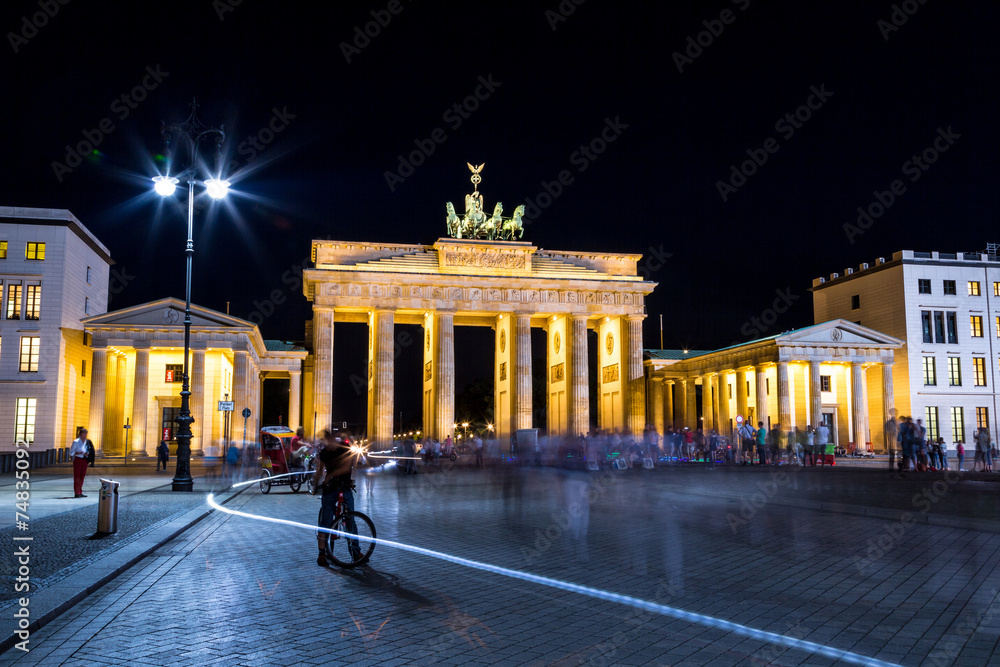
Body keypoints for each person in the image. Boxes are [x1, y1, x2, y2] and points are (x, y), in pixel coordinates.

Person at [313, 431, 360, 567]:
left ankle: (354, 552)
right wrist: (316, 485)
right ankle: (322, 554)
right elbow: (320, 469)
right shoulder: (326, 451)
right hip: (336, 488)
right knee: (329, 521)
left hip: (341, 487)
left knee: (347, 520)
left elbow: (346, 466)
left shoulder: (337, 450)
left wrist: (328, 476)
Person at [69, 428, 90, 497]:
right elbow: (71, 453)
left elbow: (88, 449)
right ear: (80, 434)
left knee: (82, 476)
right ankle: (77, 492)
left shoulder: (87, 442)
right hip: (78, 459)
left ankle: (80, 491)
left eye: (86, 434)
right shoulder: (76, 442)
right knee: (77, 476)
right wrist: (79, 453)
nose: (85, 435)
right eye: (83, 434)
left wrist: (87, 454)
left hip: (84, 460)